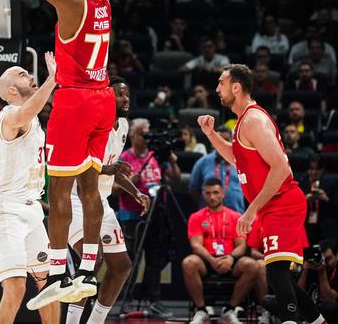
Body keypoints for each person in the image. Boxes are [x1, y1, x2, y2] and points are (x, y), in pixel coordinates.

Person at [25, 0, 116, 308]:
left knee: (59, 189)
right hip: (104, 99)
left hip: (75, 100)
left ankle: (60, 273)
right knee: (90, 189)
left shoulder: (68, 1)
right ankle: (88, 270)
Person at [199, 64, 324, 324]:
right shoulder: (243, 121)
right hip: (270, 204)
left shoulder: (254, 120)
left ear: (236, 87)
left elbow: (281, 168)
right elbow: (237, 158)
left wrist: (251, 210)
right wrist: (211, 134)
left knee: (276, 270)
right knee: (279, 275)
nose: (217, 89)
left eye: (221, 83)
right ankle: (318, 321)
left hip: (283, 202)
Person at [0, 53, 61, 324]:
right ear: (12, 90)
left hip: (31, 209)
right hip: (5, 210)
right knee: (15, 288)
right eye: (23, 74)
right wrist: (52, 79)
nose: (31, 76)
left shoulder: (33, 119)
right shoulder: (9, 115)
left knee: (49, 285)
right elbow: (26, 112)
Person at [65, 77, 150, 324]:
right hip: (76, 200)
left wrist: (135, 192)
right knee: (93, 259)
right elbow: (77, 165)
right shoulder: (91, 123)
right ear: (105, 97)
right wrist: (109, 169)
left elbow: (114, 169)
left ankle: (96, 321)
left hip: (100, 201)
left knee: (122, 266)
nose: (125, 99)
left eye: (127, 94)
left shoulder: (122, 125)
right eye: (119, 94)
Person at [117, 118, 181, 318]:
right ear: (132, 136)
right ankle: (126, 301)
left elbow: (176, 177)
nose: (145, 138)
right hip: (132, 216)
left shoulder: (155, 156)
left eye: (147, 133)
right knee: (132, 260)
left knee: (155, 258)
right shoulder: (124, 158)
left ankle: (152, 301)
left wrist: (172, 161)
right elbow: (114, 190)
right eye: (142, 134)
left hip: (156, 214)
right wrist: (131, 181)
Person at [184, 178, 258, 324]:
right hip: (206, 260)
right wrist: (212, 260)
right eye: (208, 193)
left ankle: (229, 309)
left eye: (216, 192)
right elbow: (196, 245)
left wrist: (230, 258)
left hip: (230, 260)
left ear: (223, 193)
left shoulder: (236, 217)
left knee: (251, 265)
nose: (212, 197)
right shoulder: (196, 217)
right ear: (203, 194)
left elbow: (241, 246)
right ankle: (202, 310)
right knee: (188, 263)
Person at [295, 239, 338, 324]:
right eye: (321, 259)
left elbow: (328, 299)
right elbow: (298, 295)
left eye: (328, 259)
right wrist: (305, 270)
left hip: (336, 316)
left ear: (337, 256)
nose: (325, 263)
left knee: (330, 307)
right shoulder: (313, 267)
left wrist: (321, 272)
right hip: (312, 313)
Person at [189, 126, 245, 213]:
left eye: (226, 139)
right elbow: (194, 190)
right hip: (208, 215)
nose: (222, 143)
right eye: (219, 139)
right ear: (213, 142)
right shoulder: (202, 162)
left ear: (232, 142)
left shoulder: (242, 162)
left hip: (236, 214)